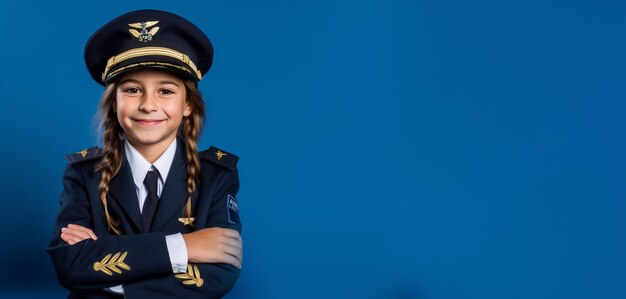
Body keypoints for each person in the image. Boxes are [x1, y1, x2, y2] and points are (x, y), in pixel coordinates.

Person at [47, 9, 243, 299]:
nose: (148, 105)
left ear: (188, 105)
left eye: (165, 91)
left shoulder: (215, 176)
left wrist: (106, 278)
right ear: (114, 102)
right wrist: (183, 247)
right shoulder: (84, 173)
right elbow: (70, 265)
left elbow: (219, 273)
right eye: (132, 90)